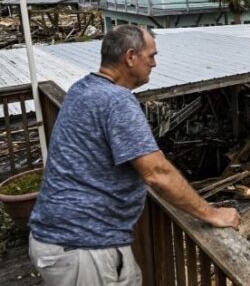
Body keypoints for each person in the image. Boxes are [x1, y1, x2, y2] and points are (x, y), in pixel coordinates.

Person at [28, 25, 239, 285]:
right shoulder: (116, 101)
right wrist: (212, 214)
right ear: (130, 57)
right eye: (151, 56)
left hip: (70, 239)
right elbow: (157, 173)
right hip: (82, 244)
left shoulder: (82, 89)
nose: (154, 64)